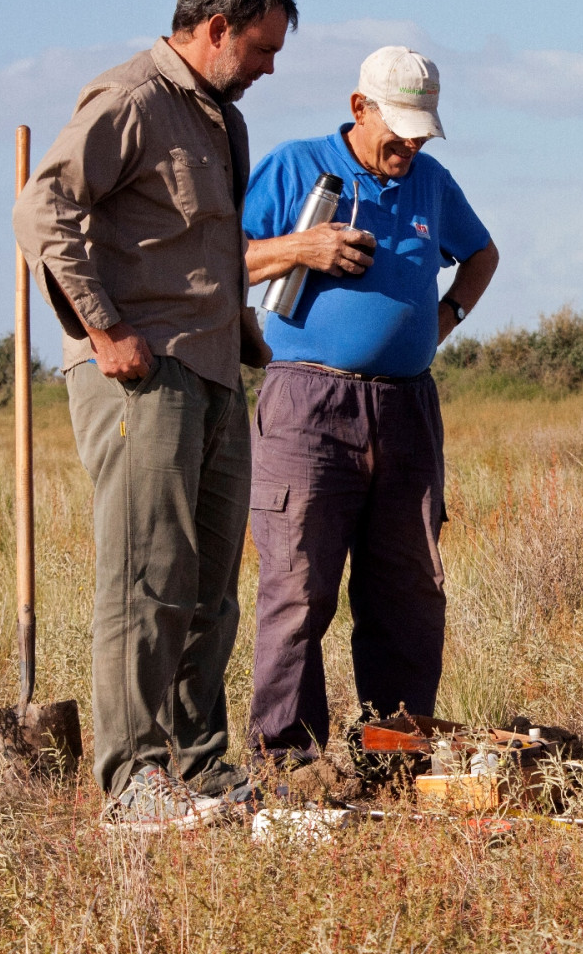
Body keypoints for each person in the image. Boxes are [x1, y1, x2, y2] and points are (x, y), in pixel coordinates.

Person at [13, 0, 296, 829]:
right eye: (260, 47)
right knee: (146, 576)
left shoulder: (222, 119)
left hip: (211, 370)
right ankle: (133, 779)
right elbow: (41, 212)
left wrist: (240, 326)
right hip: (140, 374)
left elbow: (203, 246)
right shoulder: (131, 98)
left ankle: (199, 768)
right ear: (215, 30)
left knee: (208, 584)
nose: (269, 67)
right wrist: (102, 331)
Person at [241, 47, 499, 771]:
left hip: (408, 409)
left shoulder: (431, 184)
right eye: (398, 131)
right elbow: (220, 259)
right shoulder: (295, 166)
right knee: (297, 588)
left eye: (421, 133)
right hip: (306, 404)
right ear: (360, 109)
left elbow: (481, 254)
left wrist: (441, 320)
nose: (409, 147)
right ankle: (288, 764)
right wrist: (305, 246)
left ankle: (395, 755)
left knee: (408, 591)